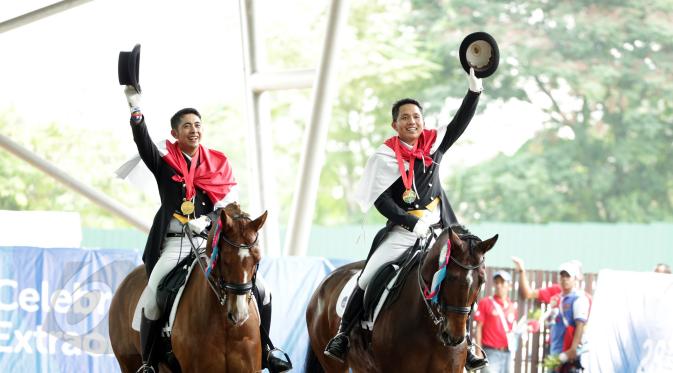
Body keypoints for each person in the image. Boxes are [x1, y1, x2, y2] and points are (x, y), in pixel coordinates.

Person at [324, 68, 486, 370]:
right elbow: (382, 202)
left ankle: (467, 340)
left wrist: (474, 91)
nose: (412, 122)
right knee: (368, 275)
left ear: (422, 121)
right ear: (395, 124)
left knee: (462, 278)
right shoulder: (384, 158)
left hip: (440, 231)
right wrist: (412, 223)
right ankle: (344, 334)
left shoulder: (434, 147)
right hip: (403, 230)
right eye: (405, 117)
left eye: (416, 117)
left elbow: (459, 123)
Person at [122, 86, 291, 373]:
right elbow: (143, 143)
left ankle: (267, 349)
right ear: (175, 133)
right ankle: (150, 362)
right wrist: (135, 111)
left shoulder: (217, 164)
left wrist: (213, 219)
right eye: (186, 126)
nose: (194, 130)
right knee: (151, 298)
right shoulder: (164, 163)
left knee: (262, 291)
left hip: (210, 241)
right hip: (175, 243)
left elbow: (227, 205)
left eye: (198, 125)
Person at [512, 257, 590, 371]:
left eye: (569, 275)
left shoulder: (581, 298)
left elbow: (582, 326)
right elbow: (528, 293)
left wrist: (573, 350)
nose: (565, 279)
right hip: (554, 348)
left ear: (577, 277)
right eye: (562, 275)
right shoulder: (557, 294)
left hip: (570, 352)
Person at [474, 270, 518, 373]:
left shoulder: (512, 307)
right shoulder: (485, 302)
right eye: (497, 282)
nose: (499, 285)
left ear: (509, 286)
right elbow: (478, 328)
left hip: (507, 353)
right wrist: (478, 351)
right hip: (490, 352)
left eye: (502, 282)